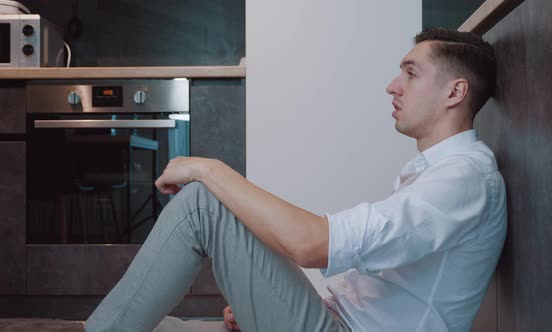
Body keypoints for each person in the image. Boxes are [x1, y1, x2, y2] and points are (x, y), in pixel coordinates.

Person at [84, 27, 506, 332]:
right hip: (336, 318)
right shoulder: (439, 172)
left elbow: (311, 245)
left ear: (455, 93)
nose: (392, 86)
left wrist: (208, 168)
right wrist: (277, 300)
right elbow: (388, 296)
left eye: (411, 74)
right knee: (164, 327)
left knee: (204, 202)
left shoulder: (464, 180)